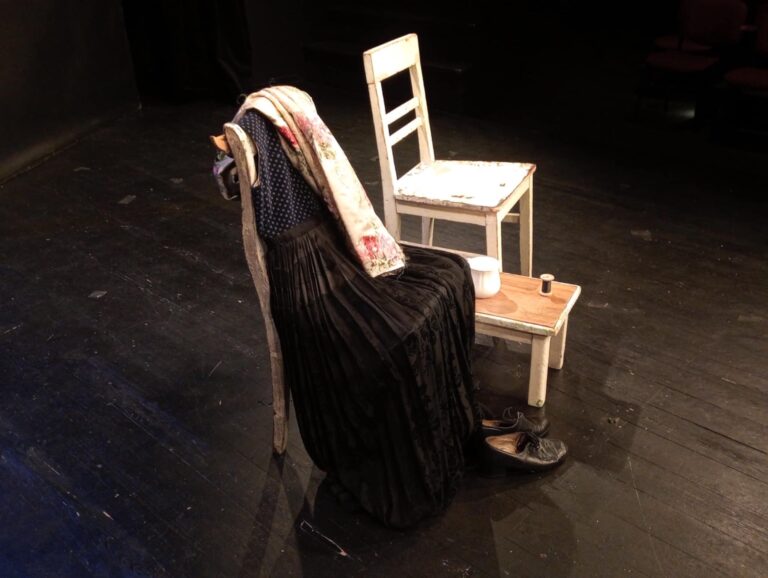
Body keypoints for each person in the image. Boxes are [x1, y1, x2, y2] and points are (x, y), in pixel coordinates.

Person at [219, 90, 567, 528]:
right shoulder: (259, 129)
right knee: (399, 332)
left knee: (454, 273)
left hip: (335, 245)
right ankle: (429, 452)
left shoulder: (285, 117)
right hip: (310, 270)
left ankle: (460, 424)